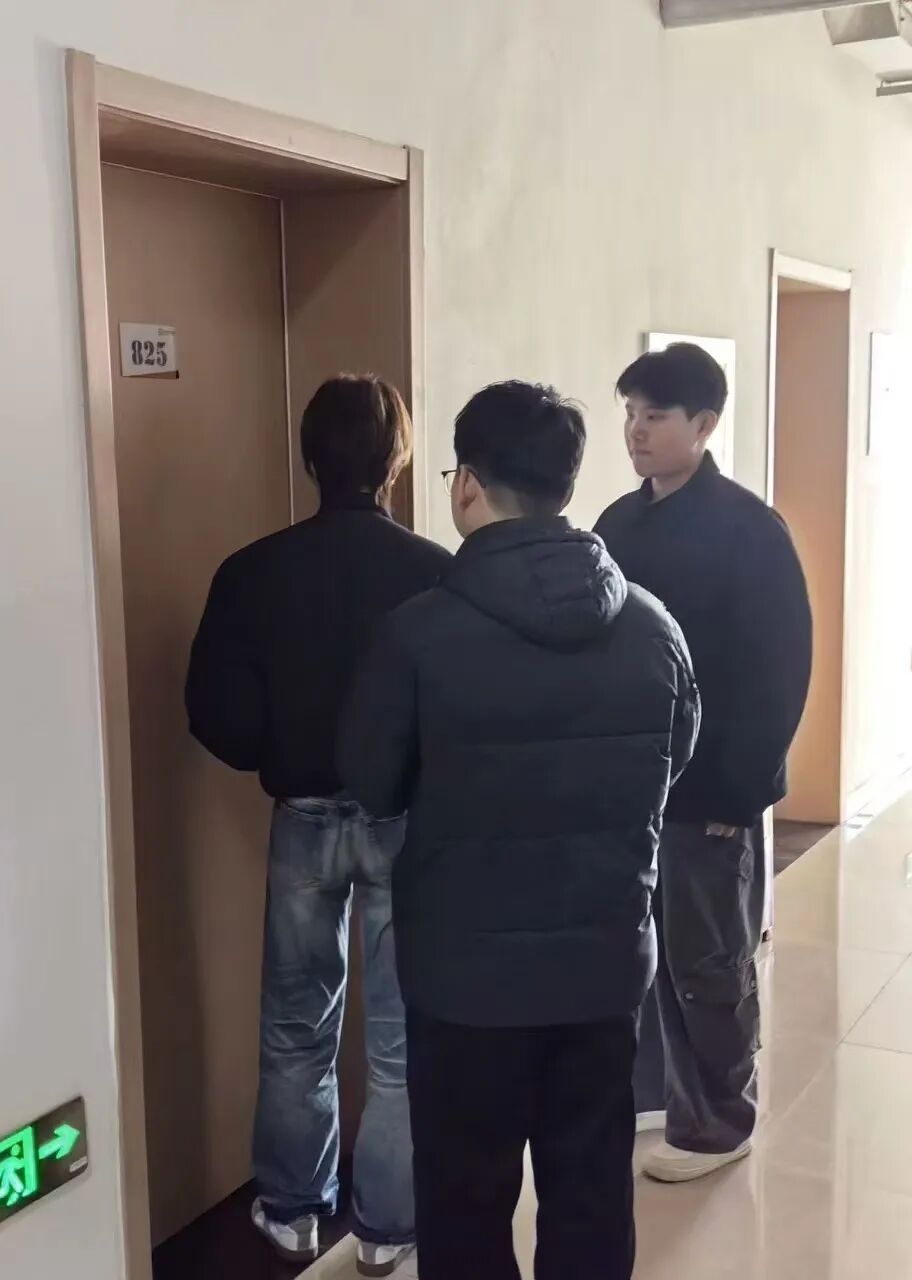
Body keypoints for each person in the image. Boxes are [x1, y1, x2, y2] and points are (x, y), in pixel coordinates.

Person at [340, 381, 700, 1280]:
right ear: (565, 486)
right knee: (591, 1196)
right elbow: (674, 757)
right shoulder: (653, 628)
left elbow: (373, 786)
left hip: (465, 986)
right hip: (601, 972)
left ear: (467, 483)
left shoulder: (415, 637)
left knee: (465, 1208)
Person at [186, 374, 451, 1277]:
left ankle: (294, 1211)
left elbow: (212, 711)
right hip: (403, 819)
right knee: (402, 1037)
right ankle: (388, 1228)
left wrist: (276, 752)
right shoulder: (433, 573)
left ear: (309, 459)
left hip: (301, 815)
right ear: (396, 461)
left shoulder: (251, 570)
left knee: (297, 1022)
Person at [595, 342, 812, 1183]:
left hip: (712, 788)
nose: (636, 431)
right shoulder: (617, 524)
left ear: (704, 424)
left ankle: (720, 1123)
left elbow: (778, 672)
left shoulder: (751, 530)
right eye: (630, 414)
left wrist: (740, 790)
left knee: (708, 963)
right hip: (632, 787)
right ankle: (660, 1099)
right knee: (640, 954)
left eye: (654, 416)